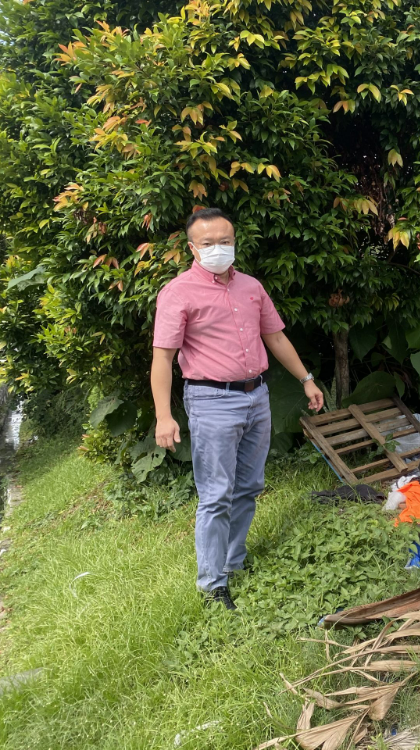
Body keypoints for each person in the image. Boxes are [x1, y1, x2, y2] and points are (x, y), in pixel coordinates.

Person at [151, 208, 324, 610]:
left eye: (225, 241)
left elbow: (275, 338)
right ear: (192, 248)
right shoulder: (178, 293)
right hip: (211, 401)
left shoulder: (251, 287)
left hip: (257, 397)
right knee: (216, 495)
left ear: (234, 243)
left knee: (248, 486)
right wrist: (163, 415)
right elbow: (163, 358)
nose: (218, 248)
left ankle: (233, 561)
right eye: (208, 243)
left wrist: (306, 379)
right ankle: (213, 585)